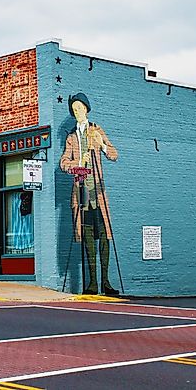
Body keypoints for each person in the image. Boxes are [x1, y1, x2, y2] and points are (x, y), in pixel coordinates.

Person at [59, 93, 120, 296]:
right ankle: (92, 283)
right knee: (88, 240)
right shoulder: (71, 138)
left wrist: (101, 145)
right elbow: (63, 164)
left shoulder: (96, 130)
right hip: (82, 195)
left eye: (80, 108)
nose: (77, 112)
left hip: (98, 194)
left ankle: (106, 282)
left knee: (104, 238)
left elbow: (113, 154)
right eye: (74, 109)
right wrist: (79, 164)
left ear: (86, 109)